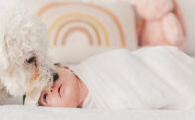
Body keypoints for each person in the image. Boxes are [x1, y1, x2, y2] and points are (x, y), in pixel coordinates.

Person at [38, 46, 195, 109]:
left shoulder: (93, 67)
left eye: (53, 77)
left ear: (67, 69)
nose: (51, 88)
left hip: (160, 65)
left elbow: (126, 65)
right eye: (45, 97)